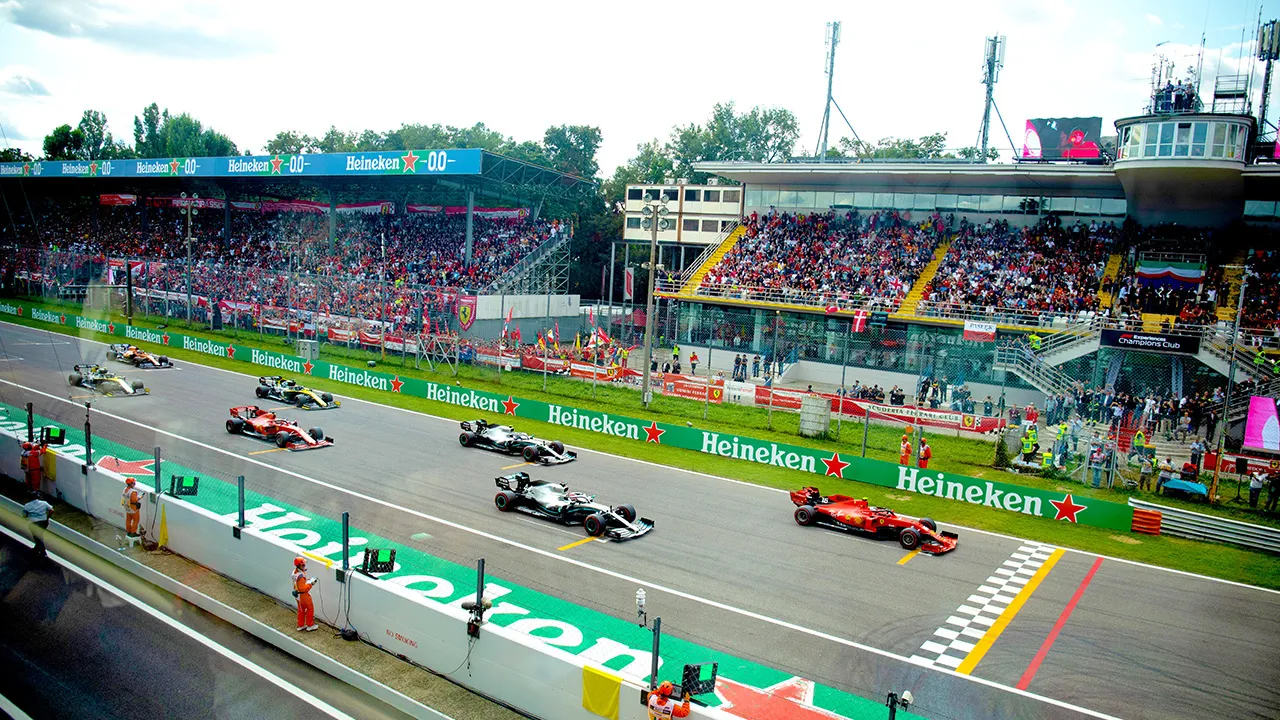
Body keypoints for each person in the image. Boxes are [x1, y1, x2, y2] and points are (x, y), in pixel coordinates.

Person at [22, 492, 53, 558]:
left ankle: (43, 553)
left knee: (38, 538)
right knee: (39, 536)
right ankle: (36, 549)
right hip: (44, 522)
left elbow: (24, 515)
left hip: (33, 524)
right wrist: (48, 517)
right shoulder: (44, 503)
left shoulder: (27, 505)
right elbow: (51, 510)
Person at [292, 556, 319, 631]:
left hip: (297, 595)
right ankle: (310, 625)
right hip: (303, 595)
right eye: (303, 565)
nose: (304, 566)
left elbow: (298, 585)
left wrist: (307, 581)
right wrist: (311, 584)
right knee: (310, 609)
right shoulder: (301, 576)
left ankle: (300, 625)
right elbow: (303, 588)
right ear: (299, 566)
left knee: (301, 610)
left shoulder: (295, 572)